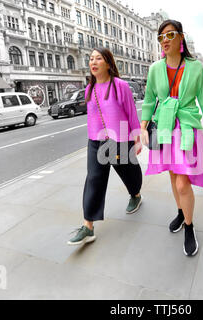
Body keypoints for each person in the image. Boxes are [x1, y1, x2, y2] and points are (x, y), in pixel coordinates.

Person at [140, 19, 203, 257]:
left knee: (183, 181)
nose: (164, 40)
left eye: (169, 35)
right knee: (174, 175)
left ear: (181, 38)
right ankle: (180, 211)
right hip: (165, 125)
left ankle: (189, 226)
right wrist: (143, 126)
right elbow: (148, 99)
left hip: (187, 125)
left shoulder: (194, 67)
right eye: (161, 37)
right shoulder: (155, 69)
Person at [68, 47, 143, 246]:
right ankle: (88, 226)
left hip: (120, 140)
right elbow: (92, 117)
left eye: (98, 59)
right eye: (91, 59)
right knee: (94, 179)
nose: (93, 62)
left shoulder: (120, 86)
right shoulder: (89, 89)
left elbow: (131, 113)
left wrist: (136, 138)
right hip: (96, 142)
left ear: (108, 63)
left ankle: (135, 194)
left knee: (129, 173)